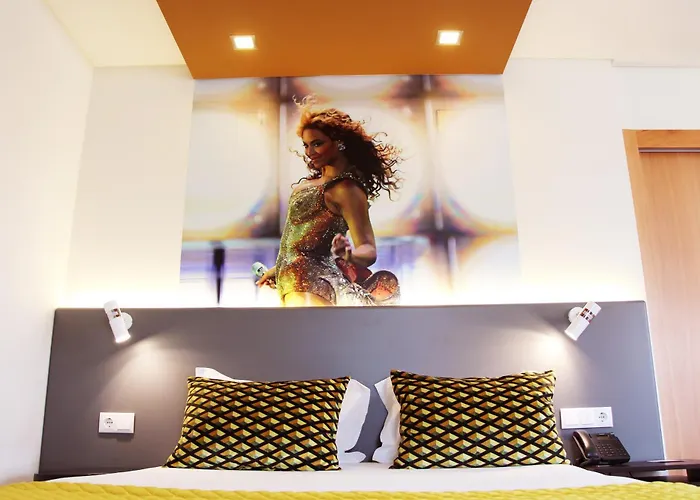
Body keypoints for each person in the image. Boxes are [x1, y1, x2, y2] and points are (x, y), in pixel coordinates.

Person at [256, 96, 403, 307]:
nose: (310, 152)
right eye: (306, 145)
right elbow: (298, 245)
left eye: (317, 144)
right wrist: (278, 268)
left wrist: (349, 255)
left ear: (339, 143)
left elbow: (368, 249)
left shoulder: (346, 190)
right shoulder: (306, 186)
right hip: (292, 281)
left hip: (315, 284)